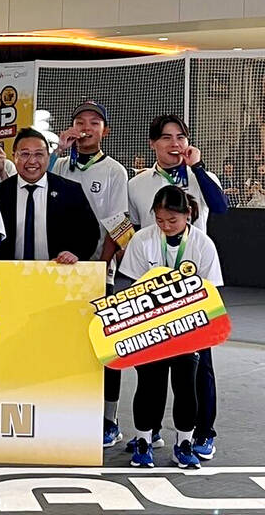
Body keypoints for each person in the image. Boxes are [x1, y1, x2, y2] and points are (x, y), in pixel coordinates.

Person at [127, 114, 227, 458]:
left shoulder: (203, 177)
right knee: (150, 371)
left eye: (180, 137)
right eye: (167, 138)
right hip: (152, 293)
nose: (175, 144)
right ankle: (149, 431)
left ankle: (202, 433)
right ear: (153, 144)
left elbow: (221, 208)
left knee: (198, 371)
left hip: (193, 291)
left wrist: (197, 168)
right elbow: (132, 226)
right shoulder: (138, 183)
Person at [119, 185, 223, 469]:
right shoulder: (142, 240)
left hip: (188, 328)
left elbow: (210, 292)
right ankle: (144, 440)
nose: (165, 226)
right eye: (160, 220)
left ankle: (184, 443)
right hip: (151, 327)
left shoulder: (203, 244)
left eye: (172, 220)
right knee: (148, 384)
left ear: (188, 214)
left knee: (186, 386)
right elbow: (134, 286)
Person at [51, 101, 130, 448]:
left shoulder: (114, 171)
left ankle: (109, 419)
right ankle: (64, 410)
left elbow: (118, 223)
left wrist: (100, 266)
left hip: (97, 270)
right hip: (57, 270)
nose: (85, 127)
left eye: (94, 123)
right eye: (79, 121)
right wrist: (57, 152)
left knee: (106, 345)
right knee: (63, 344)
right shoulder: (58, 165)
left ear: (105, 132)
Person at [0, 127, 100, 262]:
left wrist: (76, 253)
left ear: (48, 157)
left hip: (58, 271)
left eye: (39, 154)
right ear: (14, 156)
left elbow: (91, 233)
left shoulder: (70, 190)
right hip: (9, 272)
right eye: (25, 154)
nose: (32, 161)